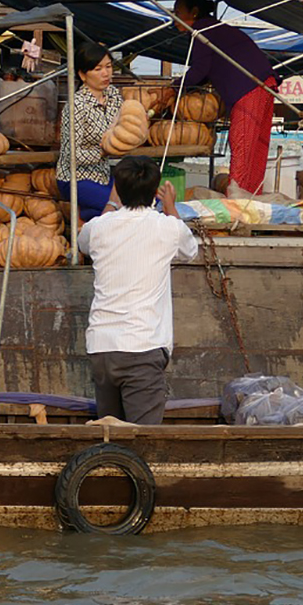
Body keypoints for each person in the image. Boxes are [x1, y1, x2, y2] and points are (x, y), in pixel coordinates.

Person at [76, 156, 199, 425]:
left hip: (102, 349)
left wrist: (111, 202)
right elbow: (190, 251)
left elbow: (82, 243)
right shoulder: (168, 227)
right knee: (142, 441)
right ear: (155, 192)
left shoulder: (98, 227)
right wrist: (170, 207)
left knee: (109, 438)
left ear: (118, 189)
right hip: (142, 349)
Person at [169, 0, 277, 198]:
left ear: (194, 12)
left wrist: (174, 88)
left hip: (250, 88)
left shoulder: (202, 30)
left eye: (177, 12)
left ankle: (238, 202)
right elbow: (206, 70)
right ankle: (251, 198)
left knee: (242, 144)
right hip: (264, 84)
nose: (174, 18)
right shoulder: (215, 29)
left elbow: (200, 69)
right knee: (255, 149)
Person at [58, 42, 124, 223]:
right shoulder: (76, 105)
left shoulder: (114, 96)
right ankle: (88, 217)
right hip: (75, 178)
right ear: (82, 74)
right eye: (98, 69)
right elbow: (71, 155)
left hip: (103, 176)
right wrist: (103, 152)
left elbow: (122, 128)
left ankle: (88, 215)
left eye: (109, 67)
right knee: (126, 207)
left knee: (148, 201)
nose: (106, 73)